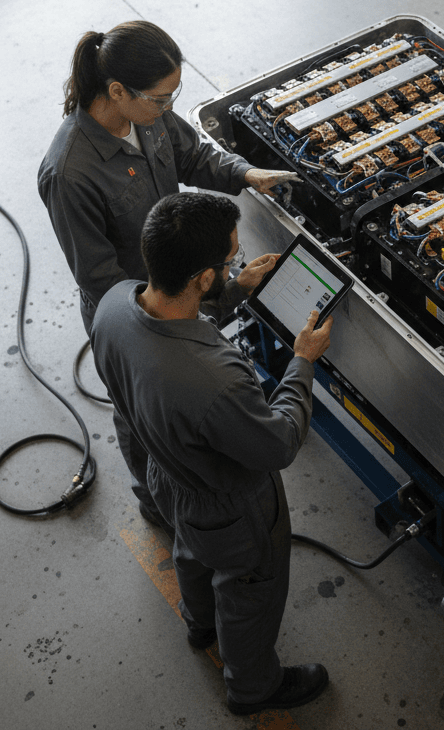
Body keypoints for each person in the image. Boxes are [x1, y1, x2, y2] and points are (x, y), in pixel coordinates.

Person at [38, 20, 299, 528]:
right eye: (161, 99)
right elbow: (102, 282)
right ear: (117, 91)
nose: (168, 108)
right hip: (134, 319)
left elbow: (193, 154)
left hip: (180, 294)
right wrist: (207, 303)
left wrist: (245, 174)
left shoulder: (148, 118)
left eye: (173, 95)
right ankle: (157, 507)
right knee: (145, 421)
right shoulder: (69, 173)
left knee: (189, 409)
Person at [90, 192, 332, 715]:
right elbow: (279, 442)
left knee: (191, 550)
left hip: (167, 474)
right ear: (202, 277)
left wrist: (234, 291)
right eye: (230, 262)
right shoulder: (214, 381)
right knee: (249, 593)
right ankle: (253, 688)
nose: (236, 266)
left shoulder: (114, 305)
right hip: (231, 507)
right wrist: (302, 363)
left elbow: (170, 330)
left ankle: (199, 625)